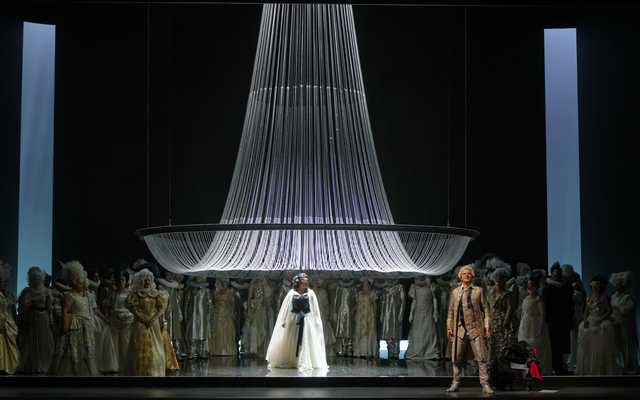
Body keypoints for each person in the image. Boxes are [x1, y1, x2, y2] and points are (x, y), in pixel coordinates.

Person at [446, 264, 493, 394]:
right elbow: (451, 311)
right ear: (460, 277)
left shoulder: (478, 291)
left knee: (481, 357)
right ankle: (455, 383)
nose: (467, 275)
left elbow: (486, 309)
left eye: (469, 273)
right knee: (456, 357)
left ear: (472, 276)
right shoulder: (456, 292)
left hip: (475, 329)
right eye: (464, 274)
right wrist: (450, 327)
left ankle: (485, 384)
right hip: (460, 329)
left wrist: (487, 326)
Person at [47, 261, 100, 376]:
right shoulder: (70, 295)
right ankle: (72, 372)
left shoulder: (85, 296)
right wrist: (65, 324)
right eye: (80, 283)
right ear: (74, 283)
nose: (82, 285)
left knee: (85, 348)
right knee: (72, 348)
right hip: (75, 325)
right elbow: (64, 310)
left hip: (85, 325)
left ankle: (84, 372)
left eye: (83, 283)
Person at [266, 273, 327, 369]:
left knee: (305, 338)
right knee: (293, 339)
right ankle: (293, 359)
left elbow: (315, 308)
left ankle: (304, 360)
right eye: (304, 281)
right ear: (298, 283)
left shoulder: (310, 293)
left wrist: (316, 320)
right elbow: (286, 307)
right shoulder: (291, 293)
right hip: (294, 319)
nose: (306, 283)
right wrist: (284, 319)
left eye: (307, 281)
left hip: (306, 319)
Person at [123, 268, 168, 376]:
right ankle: (139, 372)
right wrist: (143, 319)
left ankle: (153, 372)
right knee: (138, 349)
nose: (147, 282)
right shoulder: (135, 295)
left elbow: (160, 308)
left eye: (149, 280)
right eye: (145, 280)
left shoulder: (157, 294)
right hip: (140, 324)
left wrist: (153, 319)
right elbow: (133, 308)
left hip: (153, 324)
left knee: (154, 349)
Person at [575, 274, 622, 375]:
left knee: (599, 349)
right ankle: (588, 370)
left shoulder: (603, 298)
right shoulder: (589, 298)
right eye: (593, 285)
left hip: (601, 322)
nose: (594, 288)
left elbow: (610, 310)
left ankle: (600, 371)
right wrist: (585, 320)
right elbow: (586, 311)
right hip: (590, 321)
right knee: (588, 348)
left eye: (596, 286)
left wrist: (601, 319)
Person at [17, 266, 55, 373]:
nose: (38, 281)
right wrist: (25, 319)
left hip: (43, 317)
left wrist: (50, 319)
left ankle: (44, 363)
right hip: (33, 317)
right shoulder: (28, 292)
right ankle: (32, 364)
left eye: (39, 279)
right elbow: (24, 308)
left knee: (43, 339)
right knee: (32, 340)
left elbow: (49, 307)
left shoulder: (46, 292)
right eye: (36, 279)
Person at [517, 271, 552, 376]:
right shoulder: (526, 298)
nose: (528, 286)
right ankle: (528, 370)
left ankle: (538, 370)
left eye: (530, 284)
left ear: (535, 286)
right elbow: (523, 313)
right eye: (527, 284)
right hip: (525, 325)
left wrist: (540, 327)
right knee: (525, 347)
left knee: (535, 347)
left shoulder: (538, 299)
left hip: (534, 325)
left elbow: (542, 314)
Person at [542, 262, 574, 375]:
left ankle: (560, 366)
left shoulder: (566, 288)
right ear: (551, 275)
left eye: (559, 274)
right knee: (554, 345)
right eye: (555, 274)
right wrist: (548, 321)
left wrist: (570, 319)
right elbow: (545, 306)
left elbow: (570, 304)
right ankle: (555, 367)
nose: (557, 277)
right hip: (553, 322)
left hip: (563, 321)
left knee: (561, 346)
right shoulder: (548, 288)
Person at [488, 266, 519, 370]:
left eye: (502, 279)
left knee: (503, 344)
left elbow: (510, 307)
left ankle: (503, 367)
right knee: (493, 344)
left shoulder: (507, 293)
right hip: (493, 321)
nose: (499, 281)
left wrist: (506, 320)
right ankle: (493, 367)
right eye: (498, 279)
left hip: (502, 321)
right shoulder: (491, 294)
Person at [102, 269, 133, 372]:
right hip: (114, 320)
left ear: (126, 281)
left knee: (126, 343)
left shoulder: (130, 293)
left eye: (122, 279)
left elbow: (133, 307)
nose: (120, 281)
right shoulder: (112, 293)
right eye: (119, 279)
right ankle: (115, 365)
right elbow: (107, 306)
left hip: (127, 321)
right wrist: (107, 318)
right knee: (114, 343)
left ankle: (126, 365)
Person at [405, 275, 441, 360]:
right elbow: (414, 300)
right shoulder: (414, 286)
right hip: (418, 311)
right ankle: (417, 351)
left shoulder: (430, 285)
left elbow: (434, 298)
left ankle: (432, 352)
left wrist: (435, 311)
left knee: (430, 331)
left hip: (428, 310)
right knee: (418, 331)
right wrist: (411, 313)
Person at [609, 271, 639, 374]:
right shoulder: (613, 297)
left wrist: (618, 309)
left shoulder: (627, 297)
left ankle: (628, 367)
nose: (618, 287)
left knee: (626, 346)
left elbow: (630, 308)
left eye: (620, 285)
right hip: (615, 324)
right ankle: (619, 366)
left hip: (625, 325)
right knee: (617, 345)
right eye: (617, 284)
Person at [183, 275, 212, 359]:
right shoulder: (190, 290)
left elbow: (209, 303)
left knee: (201, 333)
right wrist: (185, 313)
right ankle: (191, 352)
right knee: (192, 332)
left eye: (199, 276)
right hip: (192, 313)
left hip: (202, 314)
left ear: (203, 278)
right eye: (196, 276)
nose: (197, 278)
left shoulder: (206, 290)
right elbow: (186, 302)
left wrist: (209, 314)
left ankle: (200, 351)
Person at [242, 277, 271, 357]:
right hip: (254, 308)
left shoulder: (265, 287)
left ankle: (259, 349)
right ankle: (251, 349)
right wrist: (248, 309)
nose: (259, 278)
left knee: (261, 327)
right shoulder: (252, 286)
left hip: (262, 310)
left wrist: (269, 310)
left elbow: (267, 299)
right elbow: (249, 298)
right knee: (252, 327)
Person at [351, 277, 378, 358]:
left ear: (369, 284)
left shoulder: (372, 293)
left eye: (366, 282)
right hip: (360, 315)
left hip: (368, 314)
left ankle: (368, 351)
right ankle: (360, 351)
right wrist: (353, 310)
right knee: (360, 330)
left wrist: (375, 313)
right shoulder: (359, 293)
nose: (364, 283)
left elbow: (374, 304)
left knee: (368, 330)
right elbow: (357, 304)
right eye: (363, 282)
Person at [310, 275, 336, 357]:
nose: (315, 282)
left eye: (316, 280)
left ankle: (323, 352)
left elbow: (326, 305)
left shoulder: (323, 292)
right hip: (312, 314)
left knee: (323, 331)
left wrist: (326, 314)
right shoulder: (309, 292)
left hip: (322, 314)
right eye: (314, 280)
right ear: (311, 282)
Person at [209, 277, 236, 356]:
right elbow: (211, 302)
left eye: (224, 281)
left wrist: (232, 313)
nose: (223, 283)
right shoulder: (214, 291)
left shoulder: (229, 291)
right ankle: (216, 351)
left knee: (226, 331)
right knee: (217, 331)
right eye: (221, 281)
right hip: (216, 314)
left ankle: (227, 351)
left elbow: (232, 303)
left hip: (226, 314)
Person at [0, 264, 19, 375]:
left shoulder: (5, 295)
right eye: (1, 282)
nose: (3, 284)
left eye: (4, 282)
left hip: (6, 321)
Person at [380, 278, 405, 359]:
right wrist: (382, 314)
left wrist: (401, 313)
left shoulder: (399, 287)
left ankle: (396, 351)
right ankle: (390, 351)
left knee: (396, 333)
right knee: (388, 333)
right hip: (387, 314)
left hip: (395, 313)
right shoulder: (385, 288)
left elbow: (402, 300)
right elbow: (383, 302)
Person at [333, 274, 357, 357]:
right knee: (342, 331)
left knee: (349, 331)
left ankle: (349, 349)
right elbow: (336, 300)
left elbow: (356, 300)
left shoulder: (353, 288)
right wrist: (335, 312)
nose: (346, 278)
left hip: (350, 312)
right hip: (340, 312)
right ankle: (343, 349)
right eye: (344, 276)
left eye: (348, 276)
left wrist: (355, 311)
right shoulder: (339, 288)